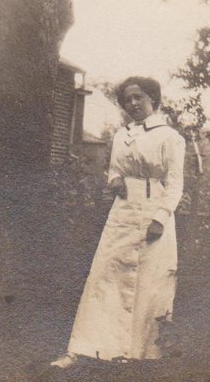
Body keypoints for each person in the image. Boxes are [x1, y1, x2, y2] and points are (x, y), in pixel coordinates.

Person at [51, 76, 186, 368]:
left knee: (148, 283)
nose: (133, 104)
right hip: (122, 212)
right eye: (128, 100)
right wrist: (114, 180)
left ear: (153, 98)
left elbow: (174, 185)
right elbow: (113, 170)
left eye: (139, 97)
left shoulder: (170, 138)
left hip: (154, 211)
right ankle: (83, 348)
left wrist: (160, 219)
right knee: (104, 276)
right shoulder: (121, 135)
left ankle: (137, 352)